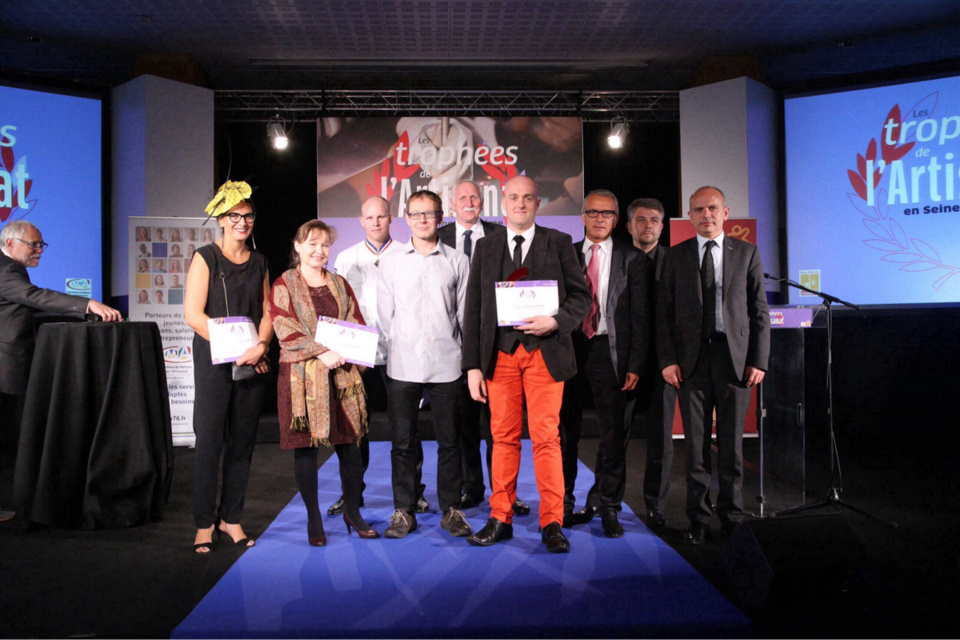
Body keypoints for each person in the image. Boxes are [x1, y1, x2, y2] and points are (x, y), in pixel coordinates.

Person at [462, 175, 590, 553]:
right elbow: (474, 309)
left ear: (537, 203)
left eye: (528, 198)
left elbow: (581, 298)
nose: (520, 203)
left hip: (546, 354)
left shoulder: (559, 242)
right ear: (503, 203)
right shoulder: (486, 247)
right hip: (499, 355)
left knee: (547, 439)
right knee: (502, 438)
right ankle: (500, 518)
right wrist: (473, 366)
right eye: (514, 197)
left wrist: (556, 321)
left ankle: (552, 521)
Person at [657, 186, 770, 544]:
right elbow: (664, 314)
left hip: (734, 360)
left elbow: (759, 311)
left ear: (725, 213)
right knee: (696, 448)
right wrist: (668, 360)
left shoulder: (747, 252)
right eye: (699, 209)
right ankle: (699, 520)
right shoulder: (675, 256)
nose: (706, 215)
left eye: (713, 208)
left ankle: (732, 518)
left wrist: (758, 359)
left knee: (732, 447)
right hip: (690, 362)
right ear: (689, 216)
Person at [0, 220, 121, 521]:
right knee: (8, 439)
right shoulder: (7, 270)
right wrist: (87, 304)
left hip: (9, 366)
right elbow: (35, 297)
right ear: (11, 244)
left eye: (41, 244)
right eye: (34, 244)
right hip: (6, 369)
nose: (40, 250)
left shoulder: (9, 268)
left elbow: (27, 307)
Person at [270, 219, 378, 545]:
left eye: (325, 245)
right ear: (297, 246)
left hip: (341, 376)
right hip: (301, 381)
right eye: (312, 244)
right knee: (305, 450)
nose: (319, 250)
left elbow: (355, 320)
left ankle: (352, 511)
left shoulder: (339, 283)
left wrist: (352, 352)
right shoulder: (284, 283)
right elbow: (283, 328)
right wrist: (322, 351)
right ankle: (313, 518)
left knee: (351, 445)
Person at [184, 181, 273, 554]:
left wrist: (261, 346)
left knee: (242, 442)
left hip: (251, 360)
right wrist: (234, 348)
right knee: (209, 441)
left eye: (248, 216)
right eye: (234, 215)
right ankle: (204, 523)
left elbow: (268, 311)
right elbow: (192, 315)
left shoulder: (260, 261)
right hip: (214, 361)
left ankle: (231, 518)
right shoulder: (205, 257)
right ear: (220, 219)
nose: (242, 222)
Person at [378, 190, 472, 539]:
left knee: (450, 442)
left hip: (447, 364)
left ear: (440, 217)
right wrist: (402, 346)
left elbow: (464, 315)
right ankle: (404, 510)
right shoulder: (390, 262)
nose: (422, 219)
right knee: (402, 443)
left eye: (429, 213)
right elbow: (385, 317)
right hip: (402, 366)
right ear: (406, 219)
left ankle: (451, 509)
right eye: (415, 214)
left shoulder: (457, 261)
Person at [331, 196, 429, 516]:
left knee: (406, 428)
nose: (375, 222)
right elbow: (337, 308)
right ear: (361, 221)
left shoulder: (407, 253)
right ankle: (352, 494)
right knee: (356, 428)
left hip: (400, 354)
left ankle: (413, 492)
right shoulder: (345, 258)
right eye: (369, 217)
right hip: (358, 357)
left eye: (381, 217)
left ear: (391, 218)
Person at [437, 180, 530, 515]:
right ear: (452, 203)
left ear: (483, 201)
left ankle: (505, 493)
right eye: (462, 197)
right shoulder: (438, 237)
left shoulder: (501, 234)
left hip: (495, 341)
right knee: (464, 424)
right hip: (451, 342)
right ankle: (472, 487)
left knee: (500, 426)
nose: (469, 202)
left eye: (474, 197)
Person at [560, 189, 648, 538]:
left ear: (617, 220)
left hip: (611, 353)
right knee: (564, 434)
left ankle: (607, 506)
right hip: (568, 350)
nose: (599, 219)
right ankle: (562, 504)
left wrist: (635, 363)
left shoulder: (632, 259)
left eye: (607, 213)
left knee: (613, 436)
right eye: (593, 212)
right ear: (582, 217)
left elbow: (641, 317)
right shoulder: (565, 254)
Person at [627, 197, 675, 529]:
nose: (647, 226)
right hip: (623, 362)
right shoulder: (616, 259)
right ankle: (605, 501)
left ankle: (656, 506)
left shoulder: (677, 261)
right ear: (629, 225)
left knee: (661, 439)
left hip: (664, 364)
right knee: (614, 437)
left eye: (654, 220)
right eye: (641, 220)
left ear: (662, 225)